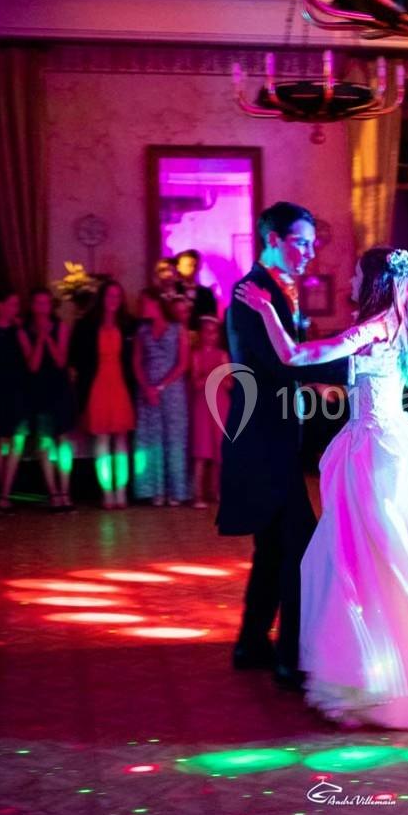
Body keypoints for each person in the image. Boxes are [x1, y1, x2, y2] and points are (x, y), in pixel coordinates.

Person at [235, 245, 408, 729]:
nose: (347, 282)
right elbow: (355, 379)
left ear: (373, 282)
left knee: (373, 559)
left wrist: (265, 311)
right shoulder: (398, 323)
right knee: (385, 555)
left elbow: (294, 354)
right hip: (388, 445)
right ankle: (395, 663)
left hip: (375, 455)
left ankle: (396, 675)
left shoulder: (373, 327)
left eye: (354, 275)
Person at [218, 201, 352, 690]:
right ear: (272, 239)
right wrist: (349, 367)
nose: (309, 252)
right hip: (261, 440)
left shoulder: (275, 290)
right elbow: (279, 366)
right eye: (301, 242)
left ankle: (251, 643)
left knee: (274, 548)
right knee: (302, 547)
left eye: (312, 243)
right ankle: (289, 659)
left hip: (273, 438)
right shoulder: (251, 292)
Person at [69, 279, 137, 509]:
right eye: (109, 296)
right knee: (101, 438)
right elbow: (76, 358)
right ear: (101, 299)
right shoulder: (87, 325)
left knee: (120, 438)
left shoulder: (128, 325)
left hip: (120, 384)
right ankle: (106, 491)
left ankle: (121, 491)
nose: (113, 301)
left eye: (118, 296)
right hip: (98, 385)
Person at [133, 291, 191, 506]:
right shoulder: (142, 331)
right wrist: (147, 387)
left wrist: (161, 386)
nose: (142, 307)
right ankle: (154, 489)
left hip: (172, 391)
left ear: (156, 304)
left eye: (145, 303)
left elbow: (183, 363)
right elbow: (136, 361)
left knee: (174, 438)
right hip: (147, 392)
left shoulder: (178, 330)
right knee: (151, 439)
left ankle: (175, 490)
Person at [22, 288, 76, 511]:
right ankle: (52, 492)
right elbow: (33, 366)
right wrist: (41, 338)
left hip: (59, 388)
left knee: (63, 440)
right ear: (32, 306)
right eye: (38, 303)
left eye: (46, 303)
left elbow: (61, 360)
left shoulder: (61, 327)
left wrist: (49, 338)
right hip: (39, 389)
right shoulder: (24, 331)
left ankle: (65, 490)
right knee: (45, 441)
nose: (42, 308)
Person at [0, 290, 29, 514]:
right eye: (11, 304)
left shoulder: (16, 331)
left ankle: (4, 493)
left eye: (17, 304)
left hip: (15, 390)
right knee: (2, 441)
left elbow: (28, 360)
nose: (15, 308)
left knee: (14, 441)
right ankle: (3, 493)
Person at [189, 315, 230, 509]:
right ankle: (198, 493)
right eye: (206, 331)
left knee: (219, 451)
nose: (210, 335)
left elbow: (230, 383)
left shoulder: (222, 355)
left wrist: (219, 376)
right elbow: (196, 383)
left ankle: (218, 491)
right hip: (202, 406)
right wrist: (212, 375)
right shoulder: (195, 355)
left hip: (220, 404)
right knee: (201, 451)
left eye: (213, 332)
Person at [174, 249, 220, 329]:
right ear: (178, 267)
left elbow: (211, 317)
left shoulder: (206, 293)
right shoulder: (173, 291)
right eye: (187, 265)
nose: (192, 268)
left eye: (194, 265)